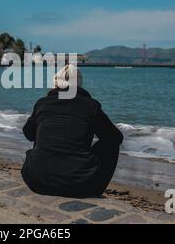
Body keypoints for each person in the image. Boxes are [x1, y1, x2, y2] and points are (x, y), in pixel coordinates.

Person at [21, 64, 124, 198]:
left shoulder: (42, 103)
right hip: (79, 185)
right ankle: (95, 188)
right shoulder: (91, 106)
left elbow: (28, 133)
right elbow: (115, 138)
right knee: (111, 145)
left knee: (41, 135)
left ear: (56, 83)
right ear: (79, 84)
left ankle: (45, 168)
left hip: (36, 181)